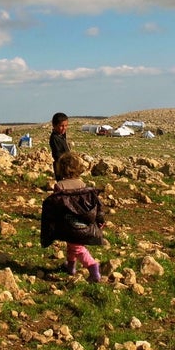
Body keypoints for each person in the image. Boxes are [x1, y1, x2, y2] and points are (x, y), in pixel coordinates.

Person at [40, 152, 105, 282]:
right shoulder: (83, 185)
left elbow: (56, 206)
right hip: (84, 222)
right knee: (72, 245)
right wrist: (100, 220)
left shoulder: (60, 186)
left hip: (70, 225)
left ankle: (93, 268)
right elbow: (96, 204)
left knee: (77, 247)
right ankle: (70, 267)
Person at [49, 112, 70, 181]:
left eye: (66, 126)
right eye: (61, 126)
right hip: (61, 167)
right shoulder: (54, 138)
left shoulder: (61, 135)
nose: (64, 128)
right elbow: (58, 155)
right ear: (54, 125)